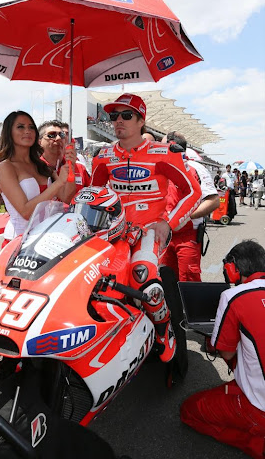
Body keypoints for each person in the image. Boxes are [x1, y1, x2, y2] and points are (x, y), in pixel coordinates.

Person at [90, 93, 202, 363]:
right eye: (113, 116)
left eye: (126, 115)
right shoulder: (102, 156)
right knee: (99, 280)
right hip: (113, 232)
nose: (118, 121)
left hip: (148, 231)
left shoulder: (164, 153)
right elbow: (91, 193)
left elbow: (193, 192)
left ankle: (163, 331)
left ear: (141, 120)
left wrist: (168, 222)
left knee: (143, 276)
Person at [180, 240, 265, 458]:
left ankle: (257, 444)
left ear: (233, 269)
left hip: (259, 408)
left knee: (189, 411)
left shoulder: (233, 296)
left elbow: (226, 352)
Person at [0, 111, 76, 245]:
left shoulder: (42, 166)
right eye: (20, 127)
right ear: (9, 132)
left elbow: (67, 196)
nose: (27, 131)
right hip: (18, 242)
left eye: (31, 127)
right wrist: (59, 183)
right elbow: (25, 212)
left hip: (46, 240)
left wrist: (71, 166)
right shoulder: (6, 167)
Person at [161, 132, 219, 282]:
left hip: (188, 236)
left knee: (188, 281)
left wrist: (185, 216)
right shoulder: (160, 169)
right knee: (165, 280)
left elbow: (213, 201)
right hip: (164, 235)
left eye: (161, 145)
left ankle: (191, 307)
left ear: (172, 145)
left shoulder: (195, 168)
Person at [38, 120, 90, 192]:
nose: (58, 138)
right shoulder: (33, 168)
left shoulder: (80, 168)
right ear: (39, 142)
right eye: (52, 135)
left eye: (61, 135)